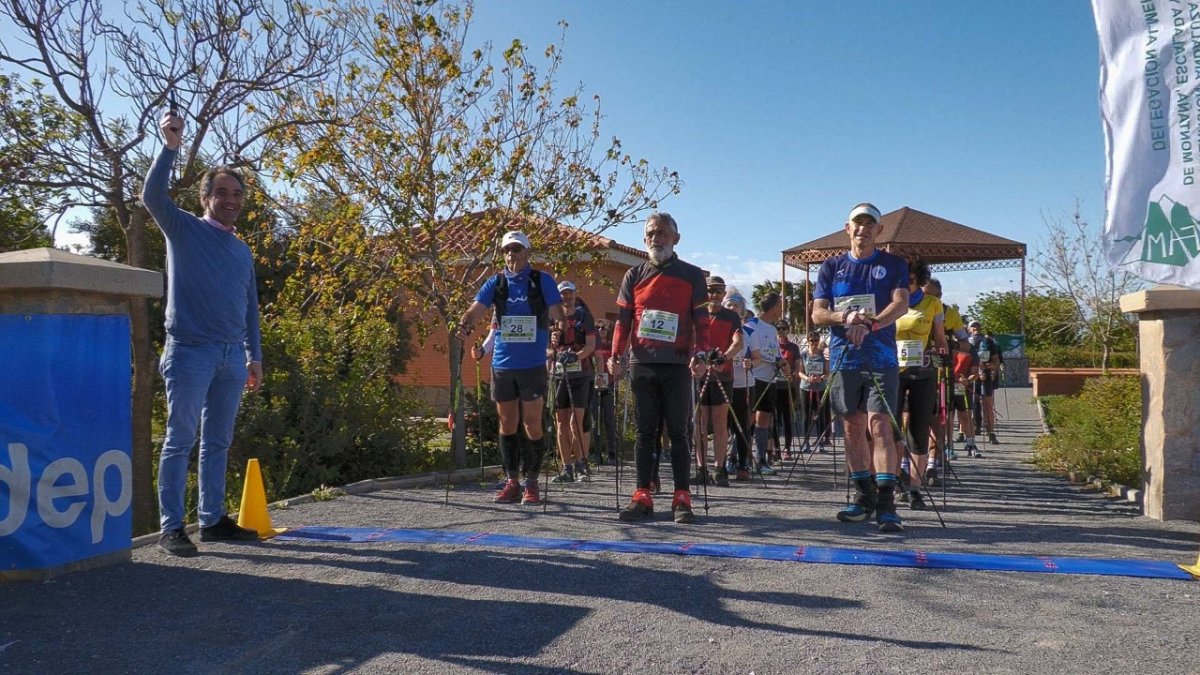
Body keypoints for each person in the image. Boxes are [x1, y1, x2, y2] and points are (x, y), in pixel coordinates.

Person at [144, 110, 263, 557]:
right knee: (180, 440)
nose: (230, 199)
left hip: (233, 356)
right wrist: (170, 146)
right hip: (190, 351)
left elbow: (250, 306)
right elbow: (152, 195)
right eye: (222, 192)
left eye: (237, 194)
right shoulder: (184, 230)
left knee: (218, 441)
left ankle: (212, 520)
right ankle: (172, 527)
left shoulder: (241, 249)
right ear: (206, 196)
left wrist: (255, 356)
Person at [811, 203, 910, 532]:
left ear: (879, 231)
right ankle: (862, 497)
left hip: (881, 358)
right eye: (858, 223)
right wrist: (846, 317)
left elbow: (900, 303)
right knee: (852, 429)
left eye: (870, 224)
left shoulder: (893, 264)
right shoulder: (831, 267)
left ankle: (886, 503)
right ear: (847, 227)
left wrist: (873, 325)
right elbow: (818, 314)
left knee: (880, 427)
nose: (863, 229)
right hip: (843, 359)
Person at [609, 213, 710, 523]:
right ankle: (642, 493)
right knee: (644, 432)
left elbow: (702, 323)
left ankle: (682, 496)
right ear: (644, 239)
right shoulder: (633, 275)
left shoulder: (692, 275)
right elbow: (622, 321)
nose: (656, 238)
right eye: (651, 233)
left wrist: (702, 354)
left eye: (662, 233)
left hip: (678, 364)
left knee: (679, 432)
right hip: (643, 363)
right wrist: (615, 355)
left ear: (675, 238)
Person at [459, 231, 565, 506]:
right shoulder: (497, 283)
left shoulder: (541, 281)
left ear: (528, 254)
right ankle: (512, 481)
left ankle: (531, 481)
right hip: (503, 363)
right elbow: (476, 309)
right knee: (507, 423)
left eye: (517, 250)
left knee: (532, 423)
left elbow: (557, 311)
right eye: (507, 250)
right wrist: (465, 324)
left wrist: (559, 327)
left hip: (532, 364)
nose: (511, 255)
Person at [893, 254, 948, 509]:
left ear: (920, 280)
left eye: (911, 281)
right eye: (903, 280)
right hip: (892, 370)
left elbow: (940, 337)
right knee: (890, 430)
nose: (907, 285)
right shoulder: (890, 301)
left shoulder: (932, 304)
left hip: (922, 371)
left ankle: (916, 488)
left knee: (918, 431)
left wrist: (944, 352)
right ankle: (891, 481)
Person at [693, 276, 743, 487]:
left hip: (723, 374)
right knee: (700, 423)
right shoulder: (697, 314)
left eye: (718, 291)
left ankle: (719, 468)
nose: (714, 295)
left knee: (721, 423)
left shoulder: (731, 316)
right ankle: (701, 468)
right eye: (710, 291)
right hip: (700, 374)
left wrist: (724, 357)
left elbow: (738, 342)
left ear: (723, 295)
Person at [549, 281, 596, 483]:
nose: (566, 297)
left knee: (576, 422)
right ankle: (566, 467)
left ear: (575, 295)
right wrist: (552, 352)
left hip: (581, 374)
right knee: (560, 423)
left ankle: (581, 465)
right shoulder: (551, 317)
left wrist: (576, 356)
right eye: (563, 294)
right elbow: (544, 348)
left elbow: (591, 345)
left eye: (569, 293)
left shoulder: (584, 316)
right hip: (559, 375)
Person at [747, 293, 788, 475]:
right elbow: (746, 351)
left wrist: (781, 362)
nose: (782, 309)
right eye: (780, 305)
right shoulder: (751, 325)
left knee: (764, 419)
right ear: (772, 308)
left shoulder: (772, 329)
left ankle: (761, 459)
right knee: (747, 419)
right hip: (753, 378)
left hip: (769, 379)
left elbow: (775, 352)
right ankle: (735, 457)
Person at [724, 290, 755, 480]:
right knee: (724, 424)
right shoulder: (719, 328)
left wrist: (751, 363)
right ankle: (728, 458)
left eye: (736, 306)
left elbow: (757, 358)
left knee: (742, 425)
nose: (732, 308)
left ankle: (743, 464)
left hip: (743, 383)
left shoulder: (749, 333)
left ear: (742, 311)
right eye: (729, 305)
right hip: (723, 380)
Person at [968, 320, 1001, 444]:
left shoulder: (988, 341)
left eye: (978, 325)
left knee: (987, 404)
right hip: (970, 377)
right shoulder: (965, 341)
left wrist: (988, 368)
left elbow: (996, 361)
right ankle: (968, 433)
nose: (976, 327)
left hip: (985, 377)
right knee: (969, 405)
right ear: (969, 329)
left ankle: (991, 433)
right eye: (973, 326)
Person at [797, 331, 831, 452]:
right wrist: (808, 378)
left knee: (820, 415)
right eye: (811, 341)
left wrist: (820, 378)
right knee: (806, 415)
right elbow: (800, 372)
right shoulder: (803, 355)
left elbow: (827, 373)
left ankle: (820, 441)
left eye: (816, 341)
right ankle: (806, 441)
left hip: (820, 387)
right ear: (808, 341)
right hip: (806, 387)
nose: (814, 343)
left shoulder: (823, 355)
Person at [950, 335, 982, 457]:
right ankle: (949, 446)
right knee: (948, 418)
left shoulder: (971, 350)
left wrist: (967, 380)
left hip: (961, 387)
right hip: (946, 385)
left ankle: (971, 444)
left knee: (966, 416)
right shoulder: (945, 345)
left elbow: (975, 373)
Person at [591, 321, 619, 465]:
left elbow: (619, 366)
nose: (601, 330)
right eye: (598, 328)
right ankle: (596, 452)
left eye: (603, 328)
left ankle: (612, 452)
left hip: (609, 387)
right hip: (594, 388)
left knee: (609, 420)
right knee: (595, 421)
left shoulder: (612, 348)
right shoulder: (592, 346)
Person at [774, 320, 801, 460]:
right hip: (774, 385)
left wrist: (793, 376)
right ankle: (775, 448)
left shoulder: (793, 347)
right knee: (775, 418)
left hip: (788, 386)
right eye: (779, 328)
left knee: (787, 418)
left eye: (784, 328)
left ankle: (787, 448)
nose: (781, 331)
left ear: (788, 330)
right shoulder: (773, 345)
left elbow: (798, 366)